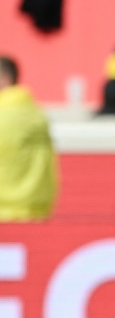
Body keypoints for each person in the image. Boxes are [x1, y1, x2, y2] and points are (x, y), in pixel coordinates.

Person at [0, 56, 59, 221]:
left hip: (5, 214)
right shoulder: (37, 115)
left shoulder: (4, 116)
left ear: (4, 79)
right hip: (38, 209)